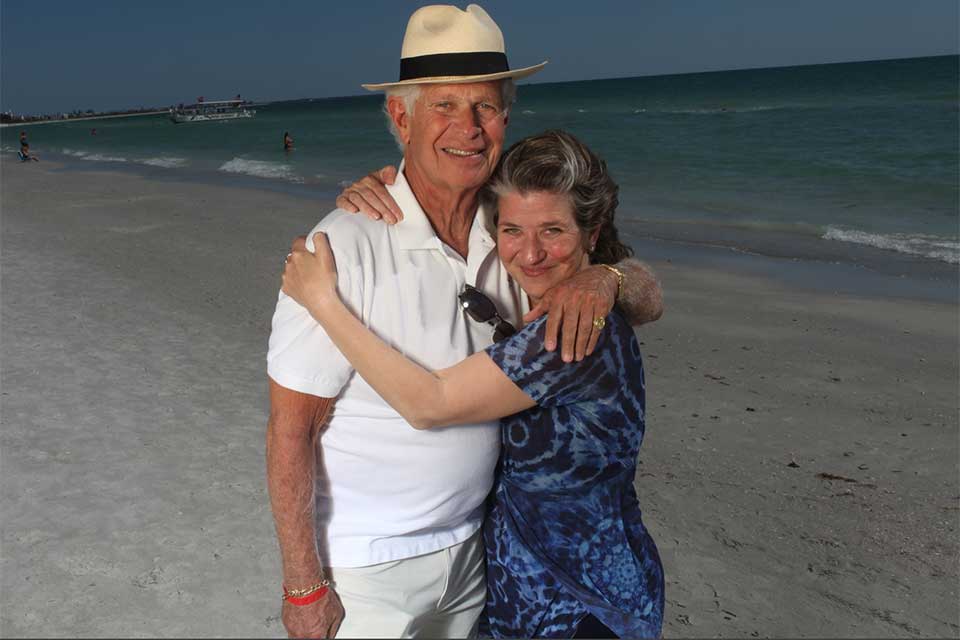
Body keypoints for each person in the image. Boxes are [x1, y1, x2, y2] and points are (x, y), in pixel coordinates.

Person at [266, 5, 663, 638]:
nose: (468, 128)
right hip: (370, 571)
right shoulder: (341, 246)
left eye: (484, 107)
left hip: (484, 564)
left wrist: (608, 277)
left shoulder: (507, 232)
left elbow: (646, 295)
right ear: (401, 117)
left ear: (506, 118)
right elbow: (291, 428)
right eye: (443, 107)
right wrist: (302, 584)